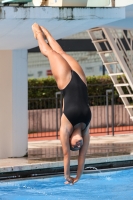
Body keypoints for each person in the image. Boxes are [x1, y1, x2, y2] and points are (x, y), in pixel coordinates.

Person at [32, 23, 92, 185]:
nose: (78, 145)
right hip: (81, 80)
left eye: (74, 145)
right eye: (78, 146)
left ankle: (37, 33)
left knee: (49, 52)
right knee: (61, 52)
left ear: (69, 141)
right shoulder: (86, 129)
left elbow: (67, 155)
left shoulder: (65, 128)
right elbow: (83, 156)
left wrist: (68, 176)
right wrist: (78, 176)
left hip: (66, 81)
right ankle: (46, 32)